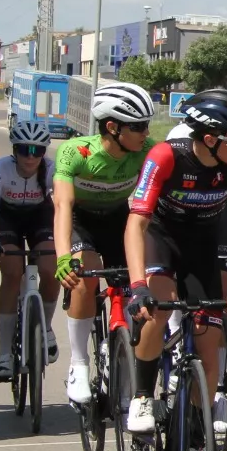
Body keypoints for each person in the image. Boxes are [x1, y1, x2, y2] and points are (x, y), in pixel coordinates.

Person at [123, 90, 227, 436]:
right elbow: (136, 223)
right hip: (162, 235)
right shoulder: (165, 156)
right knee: (157, 308)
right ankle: (142, 396)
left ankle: (196, 425)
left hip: (205, 238)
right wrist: (138, 286)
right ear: (210, 139)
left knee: (210, 341)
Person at [53, 83, 156, 405]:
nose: (145, 133)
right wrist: (63, 257)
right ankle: (78, 363)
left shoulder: (147, 151)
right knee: (84, 278)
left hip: (117, 218)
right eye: (138, 126)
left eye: (147, 125)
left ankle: (121, 352)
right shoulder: (76, 152)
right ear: (112, 127)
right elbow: (63, 206)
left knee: (137, 285)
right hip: (80, 220)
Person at [0, 120, 59, 381]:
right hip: (8, 220)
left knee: (51, 269)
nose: (31, 157)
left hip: (39, 217)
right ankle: (4, 354)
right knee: (12, 273)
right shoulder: (0, 169)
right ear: (14, 150)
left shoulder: (51, 169)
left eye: (38, 151)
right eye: (25, 149)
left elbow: (62, 207)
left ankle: (46, 328)